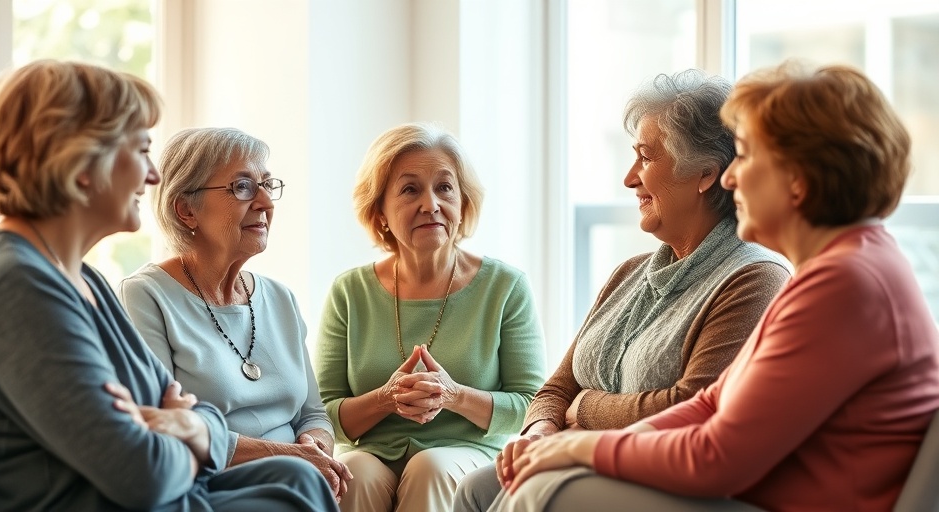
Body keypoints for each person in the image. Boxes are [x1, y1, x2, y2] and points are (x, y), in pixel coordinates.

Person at [493, 63, 939, 512]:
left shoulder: (846, 282)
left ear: (797, 179)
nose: (729, 177)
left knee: (543, 492)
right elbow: (712, 402)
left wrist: (579, 448)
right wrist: (574, 443)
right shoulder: (840, 267)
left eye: (744, 156)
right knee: (517, 484)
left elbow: (714, 457)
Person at [0, 60, 337, 512]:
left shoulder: (82, 278)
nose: (153, 175)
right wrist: (194, 432)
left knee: (297, 478)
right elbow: (141, 474)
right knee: (296, 486)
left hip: (166, 496)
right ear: (82, 163)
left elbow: (178, 410)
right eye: (141, 151)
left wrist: (191, 425)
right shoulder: (15, 290)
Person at [453, 69, 792, 512]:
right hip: (586, 458)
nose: (630, 179)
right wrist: (539, 433)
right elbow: (558, 387)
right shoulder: (629, 273)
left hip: (665, 481)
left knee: (526, 495)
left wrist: (586, 408)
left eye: (646, 158)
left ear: (706, 174)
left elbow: (691, 408)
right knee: (476, 487)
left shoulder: (753, 278)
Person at [315, 122, 547, 512]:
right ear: (380, 211)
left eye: (444, 188)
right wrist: (386, 399)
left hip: (466, 454)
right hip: (371, 452)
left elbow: (531, 405)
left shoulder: (506, 287)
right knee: (353, 472)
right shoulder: (349, 292)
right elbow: (323, 414)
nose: (431, 204)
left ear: (463, 203)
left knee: (429, 468)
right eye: (410, 190)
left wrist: (453, 395)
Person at [118, 127, 352, 501]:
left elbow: (313, 414)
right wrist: (291, 458)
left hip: (296, 481)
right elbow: (162, 426)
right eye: (242, 187)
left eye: (267, 184)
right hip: (211, 485)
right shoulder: (145, 295)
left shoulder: (280, 298)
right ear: (186, 210)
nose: (265, 202)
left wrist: (316, 449)